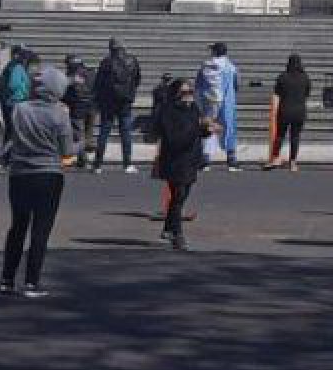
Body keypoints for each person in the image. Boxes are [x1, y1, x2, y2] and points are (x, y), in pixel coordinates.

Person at [0, 62, 80, 297]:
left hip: (20, 174)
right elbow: (67, 150)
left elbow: (12, 137)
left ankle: (7, 278)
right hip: (48, 173)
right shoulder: (59, 114)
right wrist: (83, 144)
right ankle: (31, 282)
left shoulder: (20, 110)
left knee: (17, 226)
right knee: (40, 230)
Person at [150, 78, 212, 252]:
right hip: (175, 160)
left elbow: (198, 132)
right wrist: (197, 129)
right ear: (176, 94)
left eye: (191, 92)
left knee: (181, 197)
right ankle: (178, 235)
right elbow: (174, 139)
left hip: (191, 159)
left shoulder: (193, 109)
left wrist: (206, 129)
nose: (189, 96)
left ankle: (168, 228)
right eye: (185, 93)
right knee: (178, 196)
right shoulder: (168, 112)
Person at [91, 39, 142, 172]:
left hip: (108, 102)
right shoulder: (132, 60)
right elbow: (137, 79)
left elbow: (99, 82)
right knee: (126, 132)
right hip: (125, 101)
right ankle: (128, 163)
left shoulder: (106, 62)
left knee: (104, 131)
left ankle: (98, 164)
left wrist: (97, 99)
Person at [198, 42, 241, 171]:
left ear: (215, 52)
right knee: (229, 128)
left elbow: (198, 85)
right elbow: (236, 85)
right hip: (227, 101)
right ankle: (231, 160)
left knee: (208, 128)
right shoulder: (231, 67)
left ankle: (205, 160)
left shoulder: (205, 66)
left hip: (210, 102)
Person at [270, 54, 311, 170]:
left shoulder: (282, 76)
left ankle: (275, 158)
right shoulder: (305, 77)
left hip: (284, 110)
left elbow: (277, 92)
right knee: (295, 136)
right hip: (299, 111)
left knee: (280, 135)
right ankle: (293, 162)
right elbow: (307, 93)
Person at [0, 46, 34, 137]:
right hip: (16, 101)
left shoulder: (14, 66)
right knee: (14, 129)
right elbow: (14, 84)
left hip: (11, 101)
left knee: (11, 129)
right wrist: (25, 93)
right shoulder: (17, 67)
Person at [62, 55, 93, 147]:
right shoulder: (91, 73)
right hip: (91, 106)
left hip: (77, 108)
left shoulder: (71, 76)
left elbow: (66, 93)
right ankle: (88, 146)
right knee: (88, 131)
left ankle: (82, 158)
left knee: (78, 133)